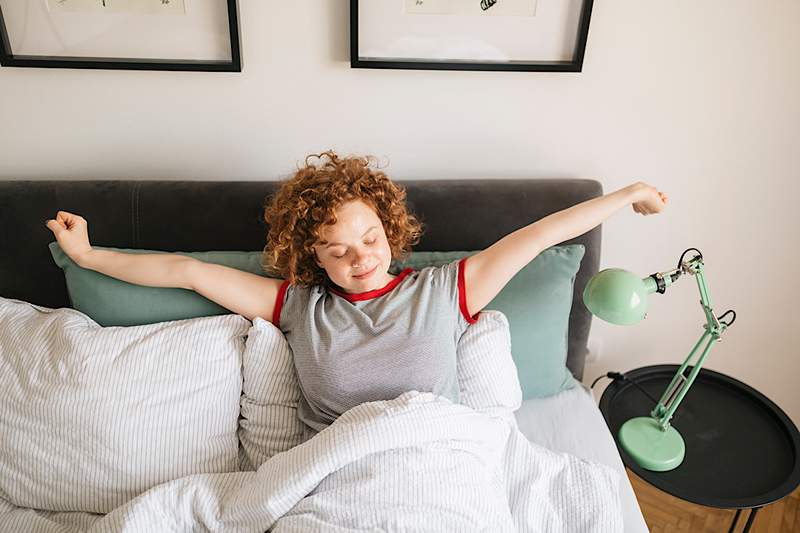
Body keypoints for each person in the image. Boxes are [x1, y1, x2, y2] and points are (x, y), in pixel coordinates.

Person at [46, 150, 668, 433]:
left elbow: (538, 237)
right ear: (310, 256)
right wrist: (88, 255)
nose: (359, 259)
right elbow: (184, 271)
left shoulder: (445, 290)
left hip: (436, 462)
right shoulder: (296, 306)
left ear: (391, 231)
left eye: (369, 238)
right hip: (337, 478)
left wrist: (629, 192)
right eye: (336, 248)